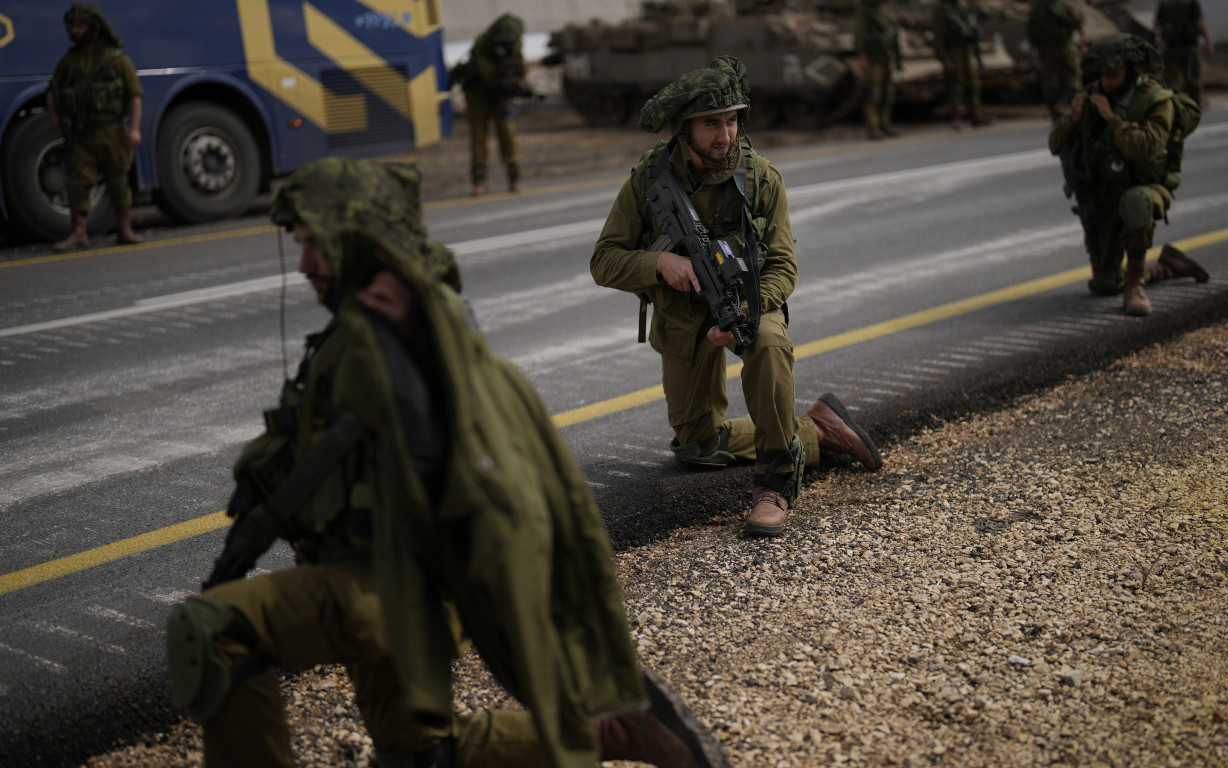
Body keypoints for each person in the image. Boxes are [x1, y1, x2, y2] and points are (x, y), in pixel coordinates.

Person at [165, 157, 729, 768]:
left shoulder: (398, 337)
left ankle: (603, 722)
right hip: (370, 566)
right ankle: (613, 734)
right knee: (415, 755)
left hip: (400, 586)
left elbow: (477, 480)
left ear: (356, 239)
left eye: (315, 247)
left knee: (216, 629)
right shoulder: (390, 325)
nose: (304, 266)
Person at [590, 56, 884, 538]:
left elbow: (784, 266)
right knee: (696, 449)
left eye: (731, 121)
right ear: (685, 128)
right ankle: (816, 430)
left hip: (747, 303)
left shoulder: (761, 178)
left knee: (768, 344)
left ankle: (774, 483)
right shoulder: (648, 181)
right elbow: (603, 260)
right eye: (710, 123)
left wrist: (746, 312)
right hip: (683, 318)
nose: (723, 135)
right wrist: (660, 263)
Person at [1048, 34, 1209, 316]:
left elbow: (1145, 149)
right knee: (1104, 283)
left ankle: (1135, 285)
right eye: (1101, 75)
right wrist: (1070, 120)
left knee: (1135, 203)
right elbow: (1054, 145)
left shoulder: (1157, 100)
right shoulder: (1090, 96)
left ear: (1133, 69)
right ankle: (1165, 267)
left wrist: (1112, 118)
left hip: (1145, 188)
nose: (1106, 82)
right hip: (1104, 197)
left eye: (1113, 74)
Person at [47, 3, 144, 250]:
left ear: (95, 28)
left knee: (118, 180)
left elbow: (134, 94)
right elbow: (53, 91)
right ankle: (78, 233)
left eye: (81, 26)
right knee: (77, 183)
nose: (76, 31)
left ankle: (125, 228)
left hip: (112, 130)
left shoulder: (116, 60)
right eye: (74, 26)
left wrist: (134, 128)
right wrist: (56, 119)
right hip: (82, 133)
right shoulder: (70, 61)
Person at [452, 13, 530, 195]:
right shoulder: (483, 44)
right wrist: (503, 82)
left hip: (500, 96)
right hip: (477, 94)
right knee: (479, 136)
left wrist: (517, 84)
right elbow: (487, 73)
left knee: (507, 133)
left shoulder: (515, 43)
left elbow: (519, 67)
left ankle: (514, 177)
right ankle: (479, 181)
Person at [930, 0, 992, 129]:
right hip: (953, 51)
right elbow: (938, 38)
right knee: (956, 84)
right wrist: (945, 59)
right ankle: (956, 116)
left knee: (972, 82)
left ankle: (975, 113)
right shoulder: (942, 11)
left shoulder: (962, 8)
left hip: (965, 50)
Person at [1026, 0, 1087, 120]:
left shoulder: (1038, 6)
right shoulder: (1062, 5)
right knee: (1074, 74)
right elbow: (1078, 21)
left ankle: (1054, 108)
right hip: (1064, 45)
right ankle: (1066, 105)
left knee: (1050, 79)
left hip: (1044, 48)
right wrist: (1082, 42)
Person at [856, 0, 903, 140]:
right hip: (873, 59)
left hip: (886, 58)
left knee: (888, 92)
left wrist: (895, 53)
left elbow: (892, 33)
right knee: (874, 93)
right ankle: (873, 127)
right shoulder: (867, 14)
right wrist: (862, 57)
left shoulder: (886, 13)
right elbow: (860, 36)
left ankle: (885, 123)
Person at [1155, 0, 1215, 107]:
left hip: (1170, 47)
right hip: (1190, 47)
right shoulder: (1191, 2)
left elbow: (1156, 24)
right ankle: (1196, 105)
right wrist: (1208, 42)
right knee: (1192, 78)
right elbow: (1199, 23)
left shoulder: (1165, 3)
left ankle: (1173, 105)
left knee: (1171, 80)